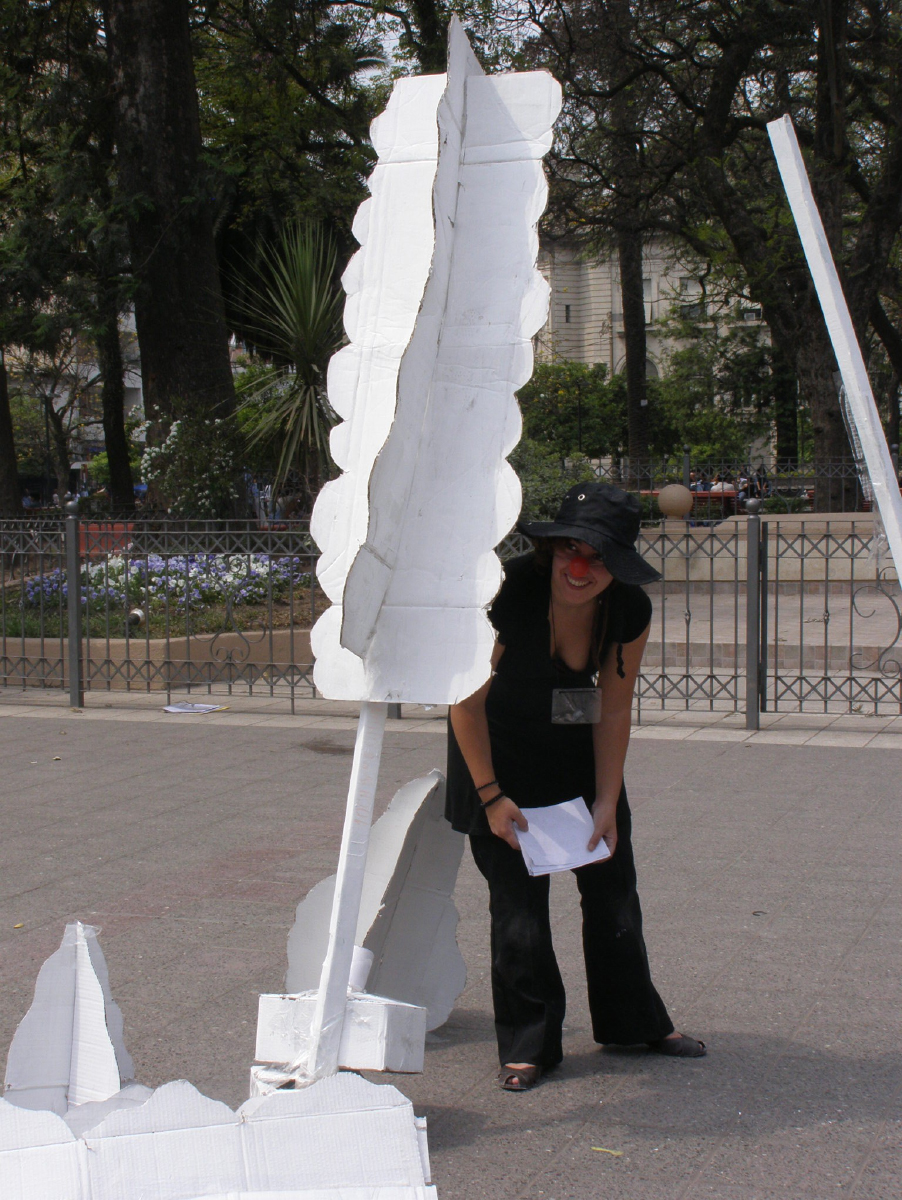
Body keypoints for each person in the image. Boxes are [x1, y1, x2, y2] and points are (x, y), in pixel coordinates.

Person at [446, 482, 705, 1091]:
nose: (580, 569)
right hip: (495, 758)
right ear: (552, 548)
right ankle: (529, 1044)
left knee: (614, 895)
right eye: (570, 550)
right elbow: (463, 703)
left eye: (597, 557)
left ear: (619, 564)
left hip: (573, 755)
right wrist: (491, 797)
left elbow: (613, 707)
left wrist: (608, 800)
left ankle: (633, 1022)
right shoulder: (509, 594)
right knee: (519, 910)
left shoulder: (628, 608)